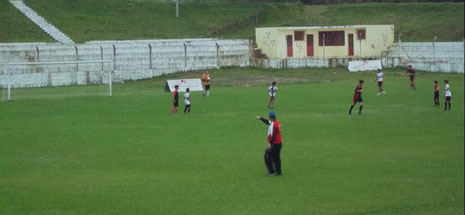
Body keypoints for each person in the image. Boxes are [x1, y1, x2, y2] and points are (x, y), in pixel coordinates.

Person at [256, 111, 282, 176]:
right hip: (278, 143)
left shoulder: (274, 125)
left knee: (267, 156)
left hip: (275, 144)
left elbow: (273, 135)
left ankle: (272, 171)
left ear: (270, 117)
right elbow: (268, 122)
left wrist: (270, 144)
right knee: (276, 157)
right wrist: (260, 118)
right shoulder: (276, 122)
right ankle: (278, 172)